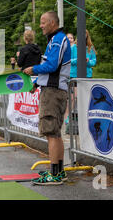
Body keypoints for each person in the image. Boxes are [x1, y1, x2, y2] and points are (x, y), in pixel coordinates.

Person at [23, 11, 71, 185]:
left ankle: (55, 174)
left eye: (43, 22)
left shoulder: (58, 39)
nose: (41, 26)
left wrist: (33, 70)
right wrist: (37, 83)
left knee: (51, 133)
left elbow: (52, 65)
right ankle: (58, 172)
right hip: (52, 89)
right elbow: (51, 67)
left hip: (53, 92)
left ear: (52, 22)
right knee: (55, 133)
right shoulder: (55, 39)